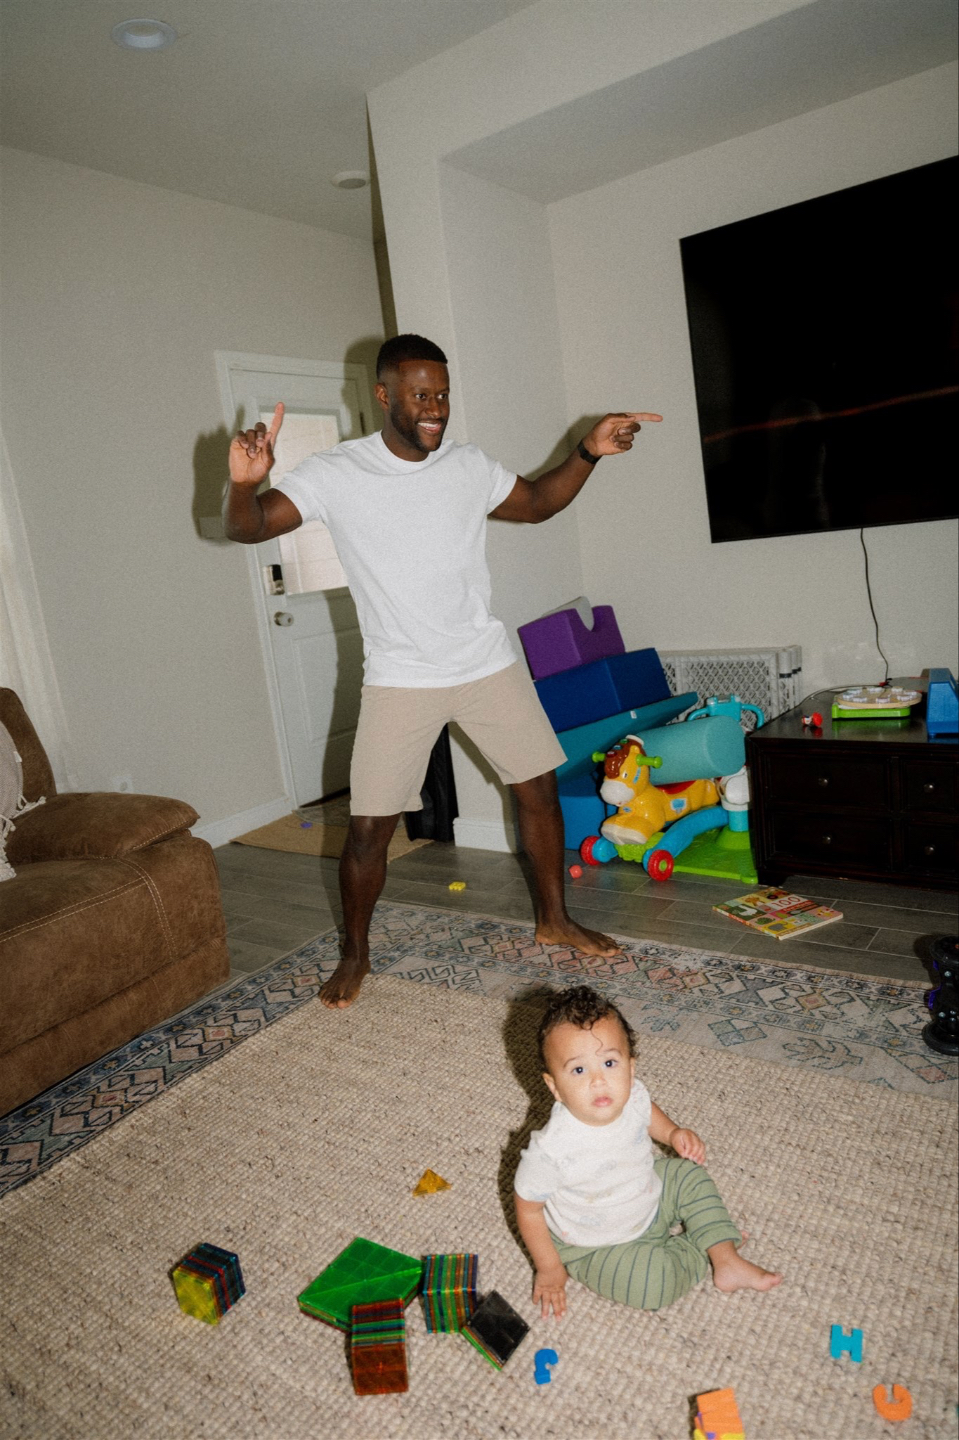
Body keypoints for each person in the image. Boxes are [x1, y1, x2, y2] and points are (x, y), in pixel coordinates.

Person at [224, 334, 662, 1010]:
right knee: (369, 828)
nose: (435, 407)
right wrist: (243, 485)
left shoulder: (466, 465)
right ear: (383, 395)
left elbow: (540, 502)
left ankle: (553, 918)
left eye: (442, 394)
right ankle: (356, 952)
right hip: (399, 677)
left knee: (537, 790)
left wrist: (587, 452)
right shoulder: (336, 472)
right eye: (420, 394)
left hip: (484, 663)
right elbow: (249, 528)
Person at [514, 985, 783, 1318]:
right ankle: (704, 1247)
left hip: (648, 1194)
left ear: (631, 1067)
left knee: (689, 1175)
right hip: (594, 1243)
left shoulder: (633, 1096)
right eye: (579, 1070)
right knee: (651, 1284)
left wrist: (672, 1132)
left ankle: (726, 1259)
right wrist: (550, 1267)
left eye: (610, 1062)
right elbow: (528, 1210)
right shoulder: (550, 1150)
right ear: (554, 1086)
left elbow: (647, 1110)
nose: (599, 1080)